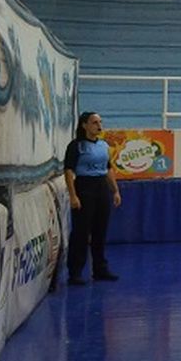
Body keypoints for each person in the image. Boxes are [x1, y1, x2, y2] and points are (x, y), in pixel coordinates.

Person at [64, 111, 121, 285]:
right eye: (95, 122)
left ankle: (100, 269)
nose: (99, 126)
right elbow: (68, 171)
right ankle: (75, 272)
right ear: (84, 125)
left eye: (100, 122)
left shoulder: (103, 145)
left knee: (100, 230)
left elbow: (108, 169)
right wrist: (73, 195)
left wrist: (115, 191)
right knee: (81, 231)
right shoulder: (76, 146)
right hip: (84, 187)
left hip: (101, 187)